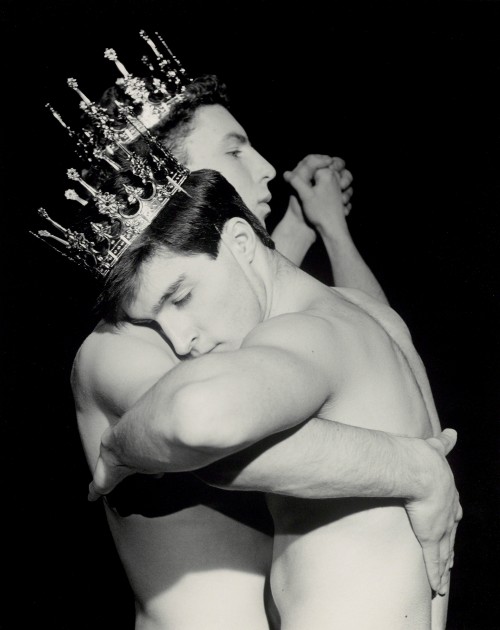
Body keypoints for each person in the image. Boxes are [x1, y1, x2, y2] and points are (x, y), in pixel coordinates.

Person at [67, 73, 458, 628]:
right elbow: (211, 443)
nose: (267, 166)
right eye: (234, 148)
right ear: (174, 184)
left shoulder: (243, 320)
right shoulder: (122, 347)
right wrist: (418, 471)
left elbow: (377, 345)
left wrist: (324, 228)